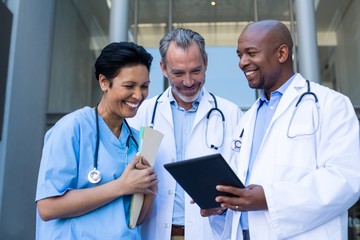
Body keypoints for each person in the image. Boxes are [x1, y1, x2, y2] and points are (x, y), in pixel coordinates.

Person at [205, 19, 360, 240]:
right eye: (239, 55)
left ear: (282, 53)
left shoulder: (329, 104)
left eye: (251, 53)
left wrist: (268, 198)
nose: (242, 62)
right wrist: (221, 205)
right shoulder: (247, 120)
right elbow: (242, 185)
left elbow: (346, 179)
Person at [127, 28, 243, 240]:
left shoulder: (231, 113)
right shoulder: (142, 113)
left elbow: (242, 182)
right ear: (163, 68)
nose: (188, 82)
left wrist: (224, 206)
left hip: (209, 232)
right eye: (178, 73)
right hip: (154, 232)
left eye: (196, 71)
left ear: (206, 62)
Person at [35, 42, 158, 239]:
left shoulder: (137, 140)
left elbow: (136, 220)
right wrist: (121, 186)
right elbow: (47, 207)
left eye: (144, 86)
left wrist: (149, 191)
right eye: (129, 86)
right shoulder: (71, 129)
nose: (138, 95)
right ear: (104, 82)